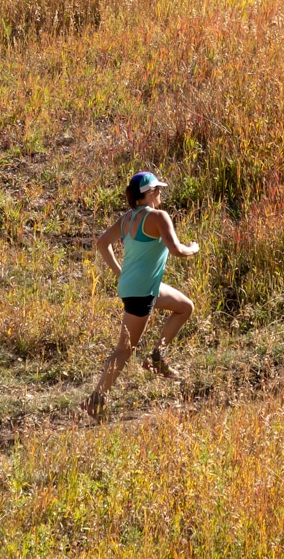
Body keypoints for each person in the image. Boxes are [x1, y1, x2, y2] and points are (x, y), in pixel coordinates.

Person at [83, 170, 198, 421]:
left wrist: (120, 273)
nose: (160, 194)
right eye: (158, 190)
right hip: (141, 293)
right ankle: (96, 400)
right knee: (124, 351)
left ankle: (158, 356)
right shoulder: (159, 217)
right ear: (149, 194)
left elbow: (103, 243)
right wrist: (193, 248)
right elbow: (176, 250)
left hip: (142, 287)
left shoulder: (127, 219)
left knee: (185, 307)